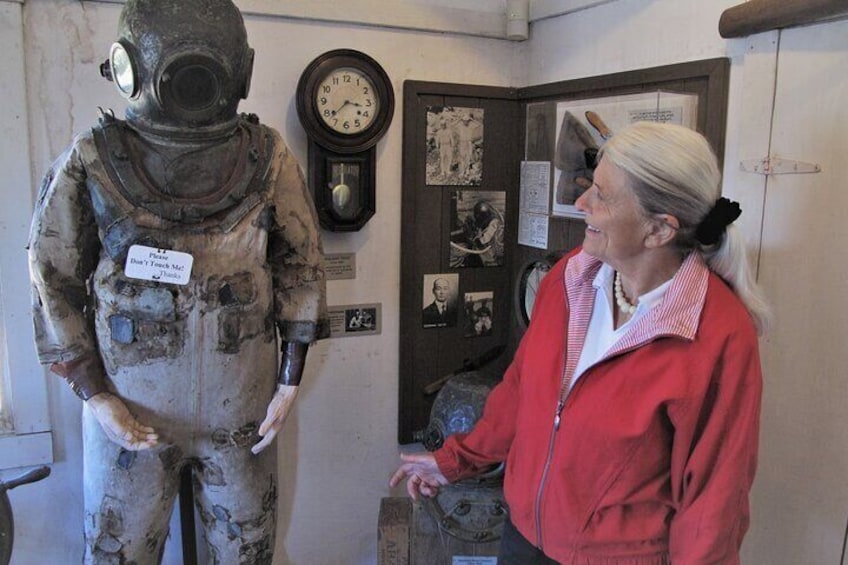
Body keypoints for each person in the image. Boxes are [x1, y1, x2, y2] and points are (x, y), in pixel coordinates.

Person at [27, 1, 328, 563]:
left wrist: (290, 377)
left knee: (247, 551)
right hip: (131, 409)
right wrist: (94, 393)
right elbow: (53, 275)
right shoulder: (93, 159)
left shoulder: (266, 157)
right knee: (120, 552)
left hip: (242, 408)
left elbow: (301, 260)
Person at [391, 121, 769, 564]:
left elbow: (714, 497)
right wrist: (456, 460)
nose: (580, 202)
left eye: (602, 195)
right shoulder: (571, 278)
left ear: (659, 230)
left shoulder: (718, 334)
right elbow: (521, 390)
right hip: (523, 537)